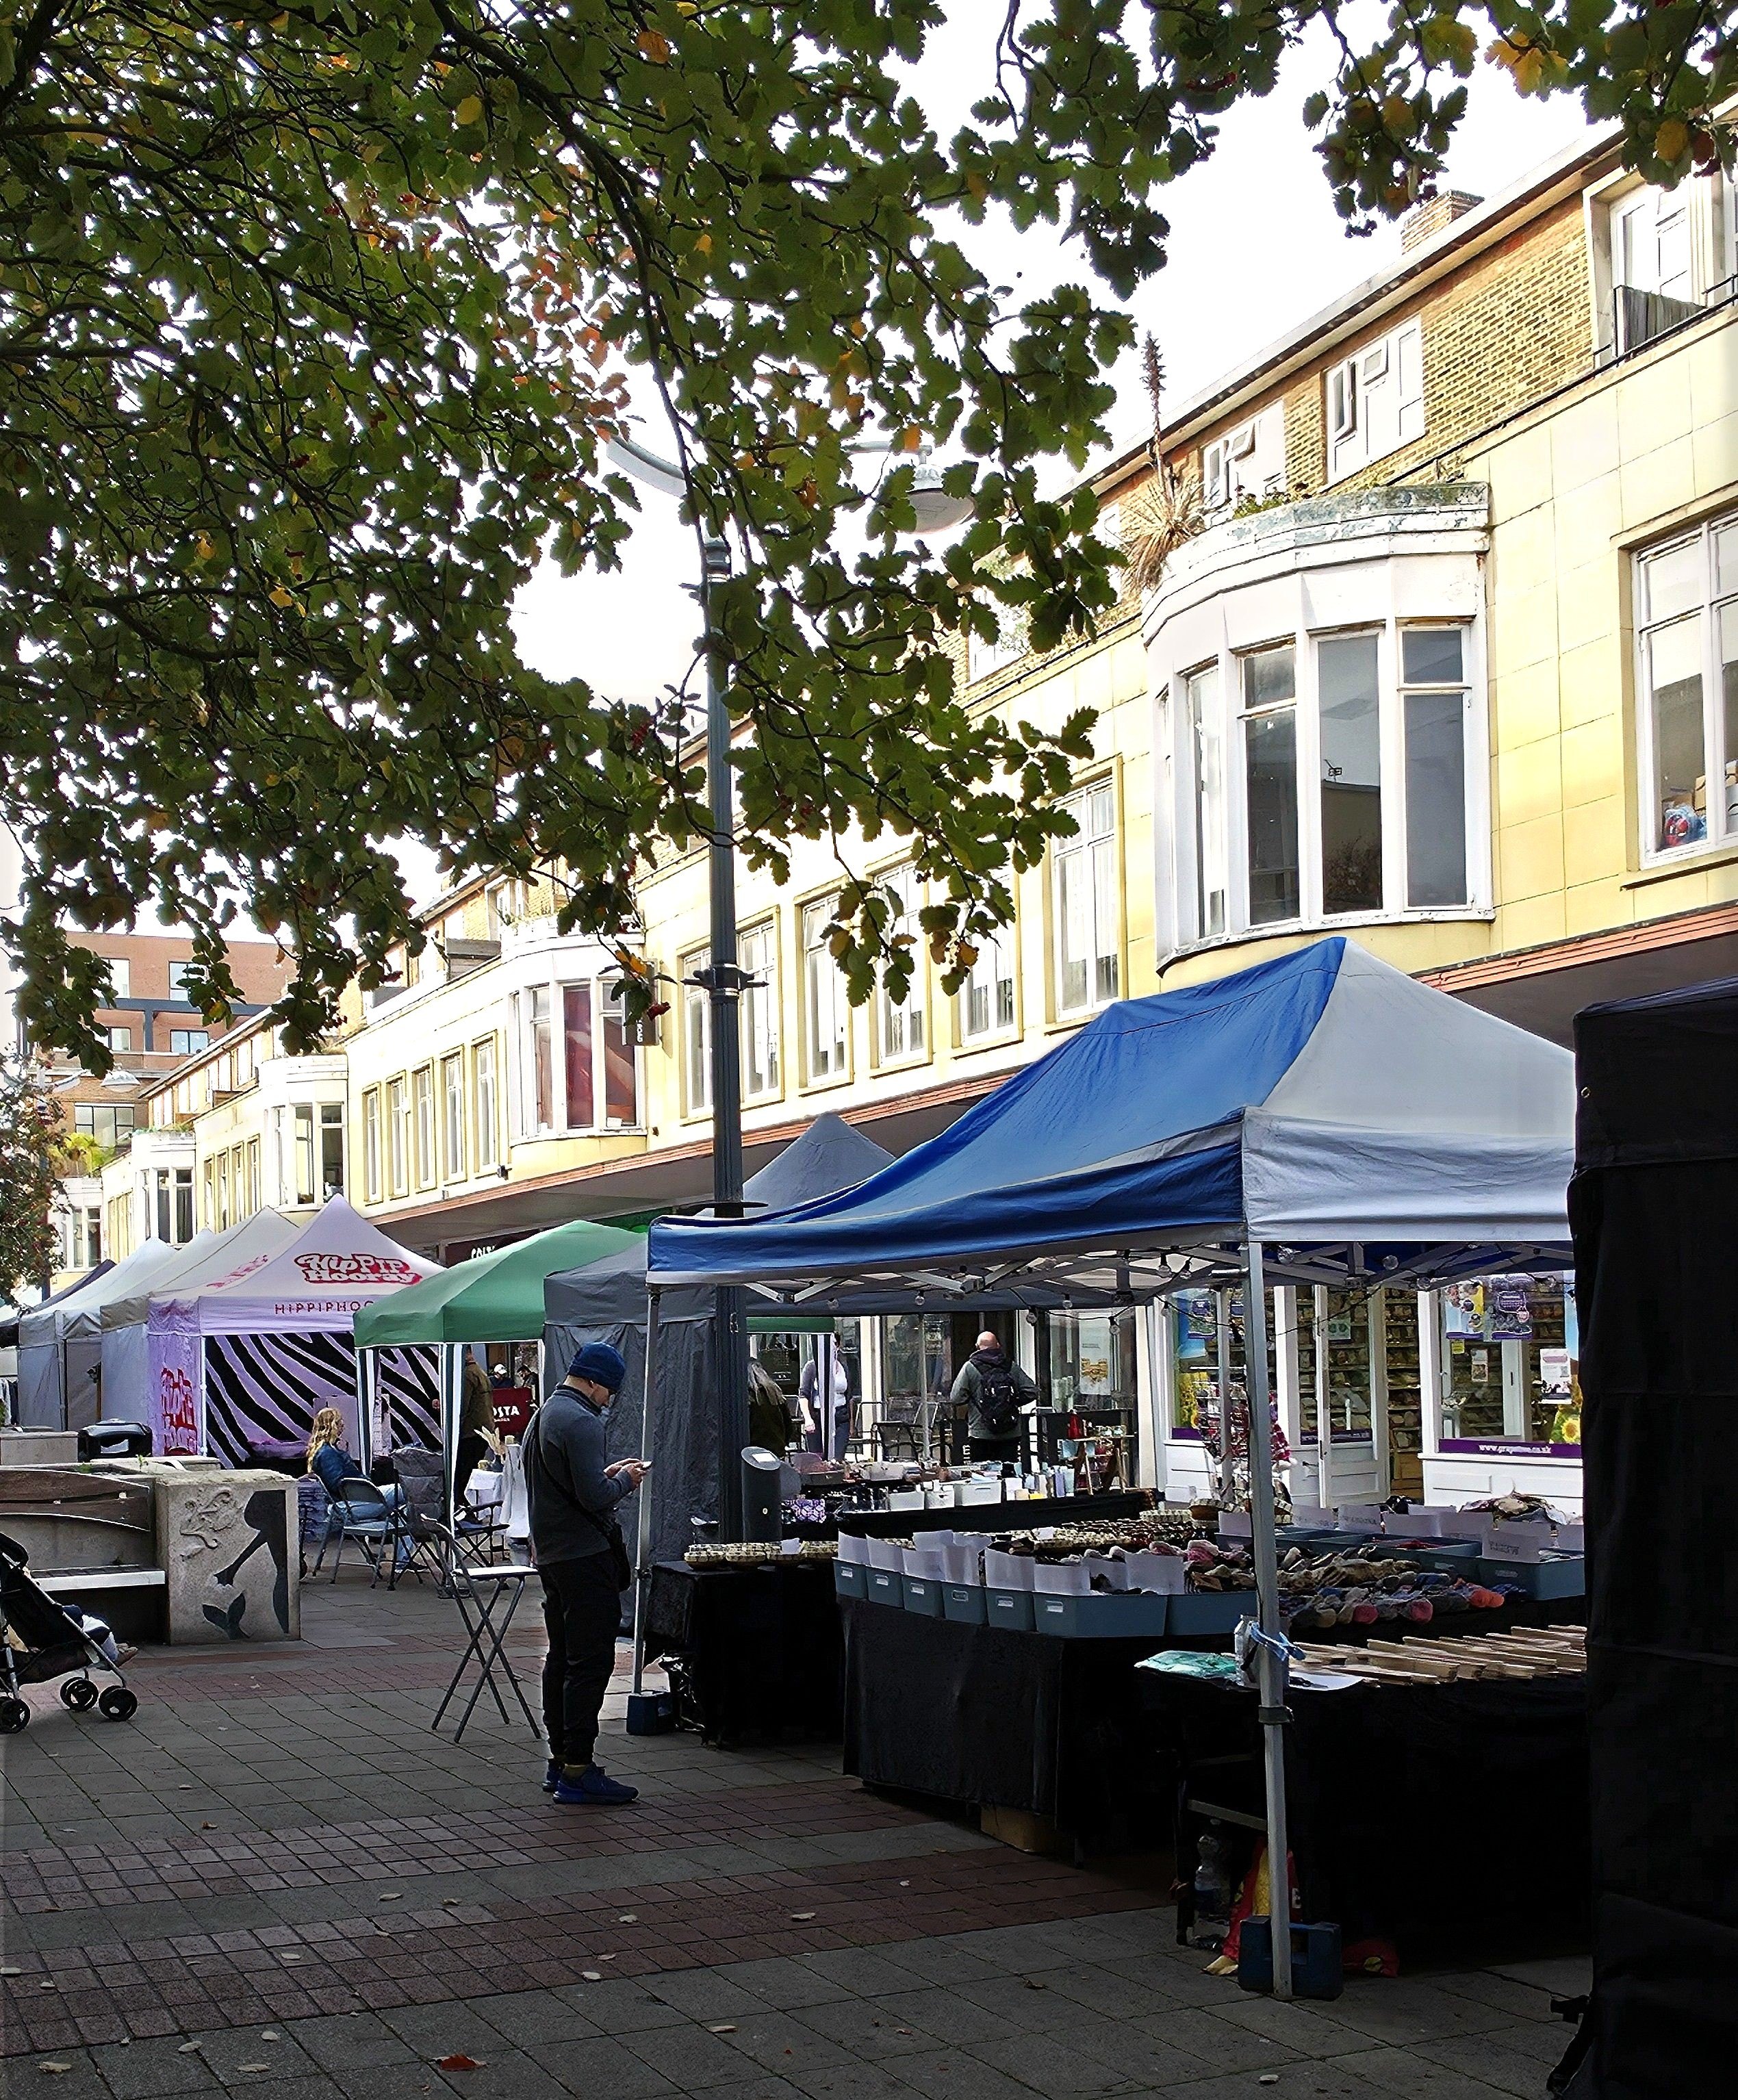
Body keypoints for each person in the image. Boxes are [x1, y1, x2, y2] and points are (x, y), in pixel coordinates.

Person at [523, 1342, 648, 1806]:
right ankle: (578, 1769)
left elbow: (566, 1485)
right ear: (593, 1381)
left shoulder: (544, 1415)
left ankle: (559, 1761)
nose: (609, 1400)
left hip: (553, 1556)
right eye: (609, 1391)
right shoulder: (581, 1420)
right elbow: (594, 1497)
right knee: (590, 1664)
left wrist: (605, 1474)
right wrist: (625, 1481)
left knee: (561, 1658)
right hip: (584, 1557)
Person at [305, 1407, 407, 1564]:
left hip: (353, 1502)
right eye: (339, 1422)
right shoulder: (327, 1454)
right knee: (404, 1490)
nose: (343, 1425)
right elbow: (338, 1484)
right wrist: (365, 1485)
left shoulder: (328, 1451)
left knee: (406, 1510)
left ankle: (403, 1559)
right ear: (332, 1425)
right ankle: (405, 1557)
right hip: (349, 1505)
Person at [949, 1331, 1038, 1466]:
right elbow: (1032, 1391)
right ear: (998, 1345)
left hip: (980, 1432)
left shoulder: (970, 1367)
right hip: (1010, 1432)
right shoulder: (1010, 1366)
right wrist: (1011, 1402)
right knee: (1009, 1473)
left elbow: (956, 1398)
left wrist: (975, 1400)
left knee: (982, 1474)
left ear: (977, 1347)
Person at [455, 1350, 496, 1505]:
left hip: (471, 1431)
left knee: (465, 1473)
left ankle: (465, 1506)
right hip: (484, 1429)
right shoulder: (480, 1371)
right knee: (473, 1469)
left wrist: (454, 1428)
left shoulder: (467, 1374)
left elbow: (462, 1407)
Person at [799, 1342, 851, 1459]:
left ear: (838, 1347)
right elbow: (803, 1395)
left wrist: (852, 1425)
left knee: (837, 1458)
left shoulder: (843, 1367)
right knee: (817, 1458)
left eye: (834, 1344)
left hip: (840, 1415)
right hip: (818, 1416)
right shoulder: (812, 1367)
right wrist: (808, 1419)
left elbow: (849, 1395)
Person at [747, 1357, 797, 1455]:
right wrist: (783, 1443)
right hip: (776, 1449)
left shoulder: (747, 1397)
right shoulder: (774, 1393)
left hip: (752, 1451)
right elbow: (788, 1424)